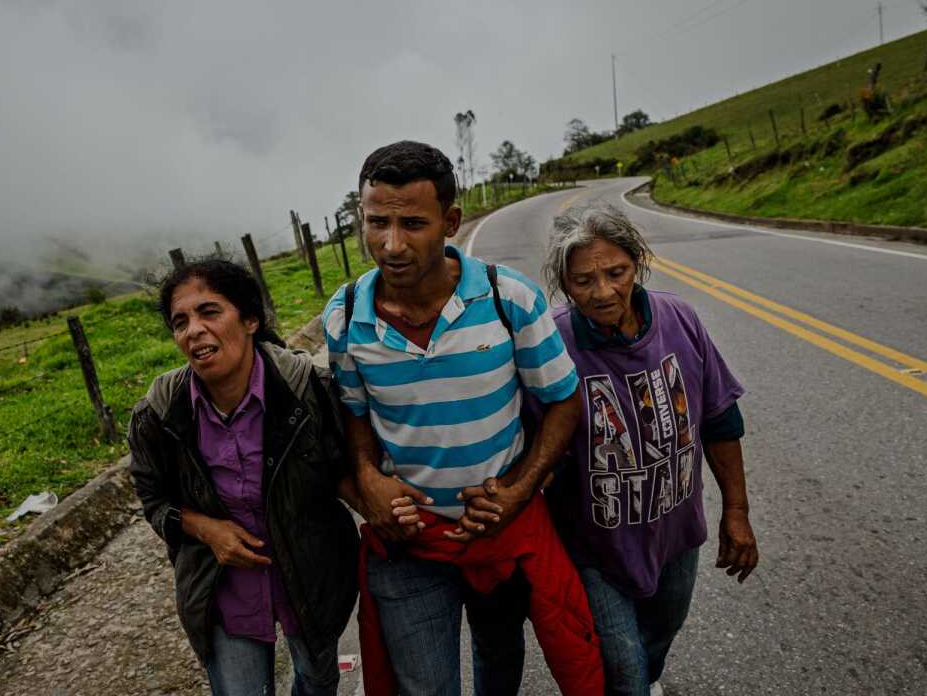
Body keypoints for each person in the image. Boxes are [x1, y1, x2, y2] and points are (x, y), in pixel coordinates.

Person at [323, 141, 603, 696]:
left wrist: (518, 493)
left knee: (499, 661)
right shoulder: (345, 315)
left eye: (413, 224)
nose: (392, 244)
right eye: (377, 222)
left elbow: (564, 403)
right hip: (408, 542)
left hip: (500, 534)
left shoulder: (510, 300)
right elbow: (355, 412)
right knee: (425, 686)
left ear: (450, 221)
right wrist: (369, 480)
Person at [533, 203, 760, 696]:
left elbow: (721, 420)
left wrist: (736, 512)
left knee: (659, 636)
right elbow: (539, 451)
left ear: (637, 262)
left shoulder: (679, 319)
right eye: (583, 281)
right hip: (595, 546)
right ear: (564, 283)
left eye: (616, 273)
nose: (603, 292)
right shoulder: (552, 341)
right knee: (623, 670)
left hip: (675, 532)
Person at [127, 258, 361, 696]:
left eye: (209, 312)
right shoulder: (160, 414)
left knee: (317, 681)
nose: (193, 329)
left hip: (311, 577)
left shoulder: (307, 389)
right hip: (222, 588)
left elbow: (343, 469)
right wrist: (206, 529)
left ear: (250, 319)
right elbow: (154, 502)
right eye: (180, 322)